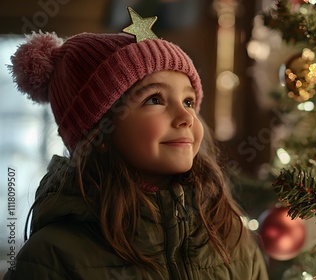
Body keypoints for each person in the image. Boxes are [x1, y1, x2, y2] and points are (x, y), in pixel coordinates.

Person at [4, 7, 269, 280]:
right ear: (100, 133)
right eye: (154, 99)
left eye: (189, 102)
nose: (186, 117)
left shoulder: (230, 237)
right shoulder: (51, 258)